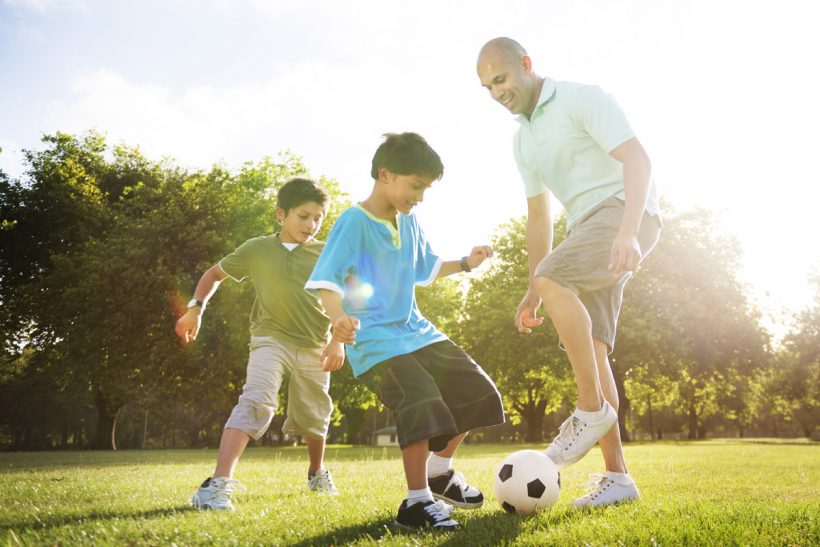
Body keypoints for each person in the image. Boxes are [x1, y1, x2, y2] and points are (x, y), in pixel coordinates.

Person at [476, 37, 662, 507]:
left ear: (526, 64)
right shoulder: (523, 140)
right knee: (594, 349)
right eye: (487, 87)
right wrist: (533, 288)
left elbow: (638, 160)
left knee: (555, 279)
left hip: (622, 214)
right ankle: (618, 479)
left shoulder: (582, 98)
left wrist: (628, 230)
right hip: (586, 229)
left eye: (500, 79)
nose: (497, 93)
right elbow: (539, 218)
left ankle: (590, 409)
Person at [306, 132, 505, 530]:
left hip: (417, 331)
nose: (421, 196)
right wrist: (337, 319)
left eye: (425, 188)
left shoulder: (409, 221)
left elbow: (425, 268)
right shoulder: (353, 223)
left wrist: (466, 263)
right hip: (376, 341)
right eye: (416, 186)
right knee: (421, 397)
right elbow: (326, 280)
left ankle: (439, 472)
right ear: (385, 174)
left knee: (478, 390)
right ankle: (417, 502)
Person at [175, 177, 345, 511]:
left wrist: (338, 341)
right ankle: (217, 485)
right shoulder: (257, 249)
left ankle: (316, 471)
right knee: (257, 400)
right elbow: (213, 275)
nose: (311, 225)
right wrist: (195, 309)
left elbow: (342, 300)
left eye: (318, 218)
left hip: (315, 343)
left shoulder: (326, 253)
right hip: (270, 338)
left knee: (314, 414)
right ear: (282, 214)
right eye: (303, 216)